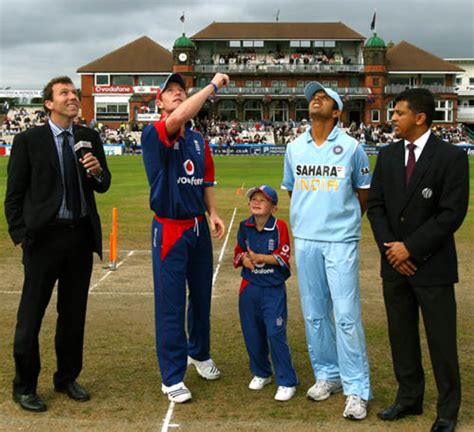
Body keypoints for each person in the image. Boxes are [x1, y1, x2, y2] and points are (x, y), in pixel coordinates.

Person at [4, 76, 111, 412]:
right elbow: (14, 197)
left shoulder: (88, 138)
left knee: (72, 315)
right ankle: (24, 386)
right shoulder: (28, 140)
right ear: (48, 103)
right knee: (31, 316)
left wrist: (95, 171)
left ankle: (66, 377)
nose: (73, 97)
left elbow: (104, 184)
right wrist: (22, 236)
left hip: (79, 238)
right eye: (64, 93)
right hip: (43, 241)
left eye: (74, 93)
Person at [367, 88, 469, 432]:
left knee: (440, 340)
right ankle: (409, 398)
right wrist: (391, 249)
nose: (392, 118)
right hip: (394, 267)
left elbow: (451, 214)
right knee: (401, 336)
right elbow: (376, 207)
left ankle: (447, 411)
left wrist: (410, 248)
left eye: (398, 113)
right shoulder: (388, 154)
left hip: (432, 265)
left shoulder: (451, 157)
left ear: (420, 117)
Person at [281, 81, 372, 420]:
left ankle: (357, 389)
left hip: (340, 240)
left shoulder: (351, 147)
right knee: (315, 315)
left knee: (346, 316)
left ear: (337, 112)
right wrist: (311, 222)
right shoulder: (294, 148)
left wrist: (341, 223)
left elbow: (363, 195)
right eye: (312, 97)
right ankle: (328, 374)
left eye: (324, 97)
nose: (315, 99)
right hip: (306, 239)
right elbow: (294, 192)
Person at [141, 72, 228, 403]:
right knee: (171, 305)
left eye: (181, 90)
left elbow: (205, 180)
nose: (177, 94)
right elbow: (178, 117)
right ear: (159, 102)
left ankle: (199, 353)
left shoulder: (198, 140)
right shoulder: (154, 132)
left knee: (201, 298)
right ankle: (172, 376)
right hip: (170, 229)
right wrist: (213, 86)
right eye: (171, 92)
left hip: (197, 228)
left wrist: (214, 213)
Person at [233, 185, 298, 402]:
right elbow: (239, 250)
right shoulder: (245, 226)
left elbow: (283, 255)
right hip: (249, 287)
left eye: (263, 199)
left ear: (274, 207)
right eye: (254, 198)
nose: (257, 202)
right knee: (252, 332)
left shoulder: (279, 226)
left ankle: (287, 380)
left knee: (275, 332)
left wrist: (262, 258)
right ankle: (261, 372)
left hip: (272, 288)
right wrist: (245, 259)